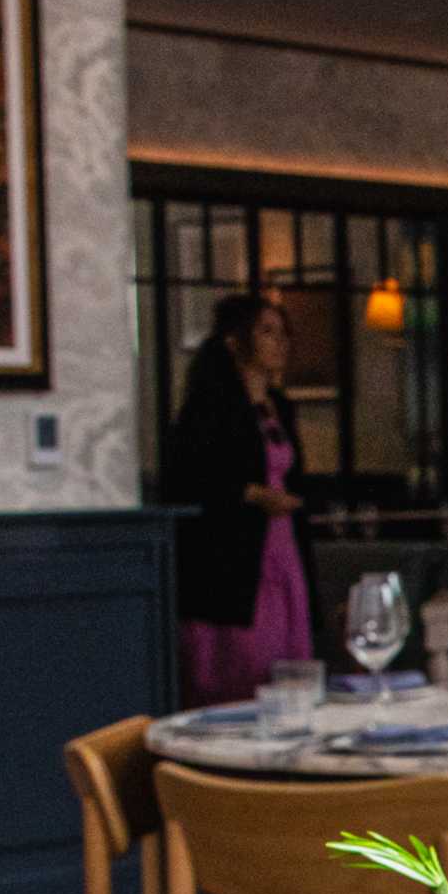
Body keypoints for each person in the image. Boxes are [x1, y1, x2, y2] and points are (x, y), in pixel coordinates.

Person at [165, 292, 314, 706]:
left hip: (282, 547)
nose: (280, 342)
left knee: (289, 664)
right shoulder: (210, 406)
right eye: (267, 332)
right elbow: (184, 479)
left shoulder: (280, 407)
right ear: (235, 341)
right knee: (244, 669)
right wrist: (250, 493)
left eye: (283, 333)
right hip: (232, 558)